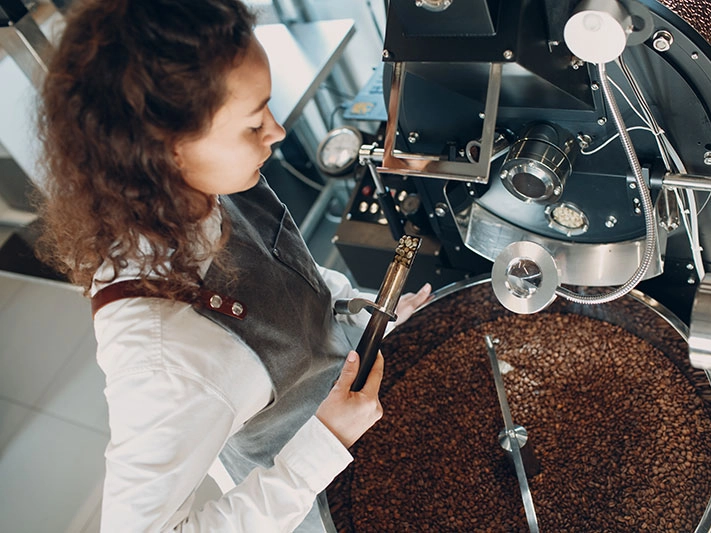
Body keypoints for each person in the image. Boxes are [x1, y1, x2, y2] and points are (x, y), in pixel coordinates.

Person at [35, 0, 432, 531]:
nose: (277, 132)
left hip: (365, 399)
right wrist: (323, 444)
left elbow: (293, 279)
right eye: (252, 124)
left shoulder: (210, 186)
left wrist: (366, 316)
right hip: (318, 497)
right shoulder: (165, 357)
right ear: (167, 150)